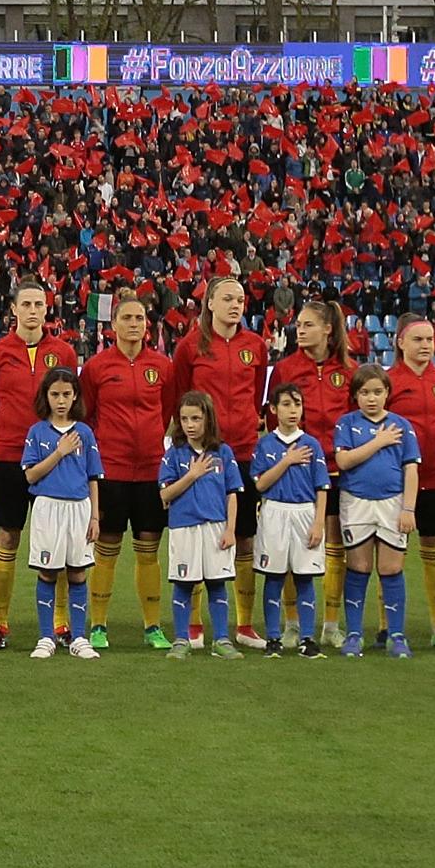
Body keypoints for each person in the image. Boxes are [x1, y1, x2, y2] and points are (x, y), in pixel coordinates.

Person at [0, 280, 77, 651]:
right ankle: (1, 622)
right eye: (27, 305)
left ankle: (61, 623)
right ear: (14, 310)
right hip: (10, 458)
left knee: (60, 541)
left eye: (40, 304)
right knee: (7, 537)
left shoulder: (63, 352)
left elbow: (70, 400)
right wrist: (4, 437)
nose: (33, 311)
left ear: (47, 310)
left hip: (57, 460)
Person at [170, 276, 269, 648]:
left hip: (243, 453)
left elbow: (256, 395)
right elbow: (181, 399)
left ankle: (244, 626)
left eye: (240, 299)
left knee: (243, 538)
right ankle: (193, 625)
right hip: (201, 456)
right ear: (210, 302)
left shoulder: (255, 347)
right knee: (196, 537)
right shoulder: (189, 347)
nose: (235, 304)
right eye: (227, 298)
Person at [80, 291, 176, 651]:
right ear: (113, 325)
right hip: (112, 471)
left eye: (139, 319)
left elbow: (166, 412)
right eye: (127, 319)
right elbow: (88, 416)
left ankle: (152, 626)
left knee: (148, 549)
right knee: (107, 548)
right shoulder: (97, 367)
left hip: (151, 470)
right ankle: (99, 624)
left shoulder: (162, 366)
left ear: (147, 325)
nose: (134, 324)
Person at [267, 298, 356, 647]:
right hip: (297, 472)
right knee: (293, 550)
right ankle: (292, 623)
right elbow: (272, 420)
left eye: (308, 325)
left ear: (328, 329)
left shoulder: (348, 370)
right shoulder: (286, 369)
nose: (300, 330)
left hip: (338, 472)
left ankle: (331, 625)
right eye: (298, 325)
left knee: (336, 549)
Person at [384, 314, 435, 652]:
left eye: (429, 340)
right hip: (395, 484)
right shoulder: (388, 381)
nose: (425, 346)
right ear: (400, 342)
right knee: (390, 555)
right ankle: (386, 627)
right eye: (417, 339)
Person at [333, 365, 422, 659]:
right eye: (365, 392)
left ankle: (396, 635)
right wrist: (378, 442)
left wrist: (408, 508)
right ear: (355, 395)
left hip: (393, 503)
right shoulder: (346, 424)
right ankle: (354, 634)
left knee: (391, 569)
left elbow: (411, 469)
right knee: (358, 568)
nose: (371, 398)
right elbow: (343, 461)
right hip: (355, 502)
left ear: (387, 393)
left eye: (377, 392)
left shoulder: (401, 425)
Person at [20, 367, 102, 660]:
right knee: (48, 571)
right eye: (55, 394)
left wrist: (95, 516)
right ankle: (46, 637)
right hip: (47, 508)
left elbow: (93, 476)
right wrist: (59, 451)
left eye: (67, 394)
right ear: (46, 396)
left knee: (78, 571)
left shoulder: (85, 432)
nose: (61, 400)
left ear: (75, 396)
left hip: (79, 509)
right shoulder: (38, 432)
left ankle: (79, 637)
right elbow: (30, 476)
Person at [157, 391, 243, 662]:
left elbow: (232, 493)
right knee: (183, 584)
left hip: (216, 527)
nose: (190, 424)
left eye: (196, 418)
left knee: (217, 584)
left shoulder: (223, 452)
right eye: (184, 419)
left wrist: (230, 529)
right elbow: (165, 495)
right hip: (184, 528)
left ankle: (221, 639)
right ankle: (181, 639)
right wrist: (192, 475)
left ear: (208, 419)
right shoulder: (174, 455)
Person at [251, 383, 330, 658]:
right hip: (274, 512)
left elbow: (322, 487)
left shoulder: (312, 444)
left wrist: (319, 522)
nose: (292, 410)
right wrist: (287, 461)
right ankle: (274, 637)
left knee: (305, 577)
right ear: (273, 409)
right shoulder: (265, 444)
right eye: (286, 404)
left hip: (304, 513)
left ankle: (307, 638)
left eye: (297, 404)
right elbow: (260, 484)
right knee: (274, 576)